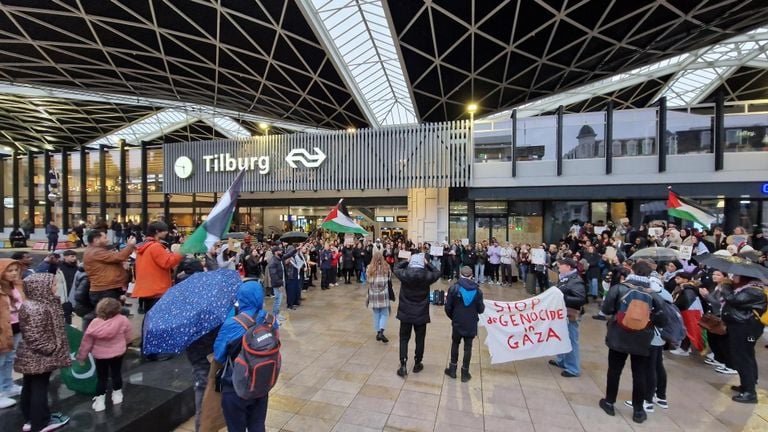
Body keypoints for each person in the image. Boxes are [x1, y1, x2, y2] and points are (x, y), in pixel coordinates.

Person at [598, 261, 667, 424]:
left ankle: (609, 402)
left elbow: (606, 309)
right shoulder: (654, 294)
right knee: (639, 373)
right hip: (642, 338)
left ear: (632, 271)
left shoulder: (619, 288)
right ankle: (638, 410)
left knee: (614, 370)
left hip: (619, 334)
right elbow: (662, 320)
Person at [213, 280, 278, 432]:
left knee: (236, 427)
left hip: (235, 385)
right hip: (262, 382)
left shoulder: (232, 324)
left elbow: (219, 356)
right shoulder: (271, 320)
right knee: (257, 425)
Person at [14, 273, 71, 432]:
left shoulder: (38, 304)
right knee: (39, 388)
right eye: (52, 285)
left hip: (32, 356)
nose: (55, 288)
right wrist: (52, 348)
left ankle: (31, 418)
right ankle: (41, 422)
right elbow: (35, 336)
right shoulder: (37, 307)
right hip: (40, 356)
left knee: (30, 386)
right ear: (40, 288)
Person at [76, 298, 132, 412]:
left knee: (102, 378)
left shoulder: (94, 323)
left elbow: (86, 342)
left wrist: (81, 357)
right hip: (118, 353)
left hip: (100, 356)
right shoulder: (123, 320)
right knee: (116, 374)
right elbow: (128, 336)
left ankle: (100, 402)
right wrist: (125, 344)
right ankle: (117, 395)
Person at [720, 275, 767, 403]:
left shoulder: (754, 291)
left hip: (746, 328)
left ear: (744, 277)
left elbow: (733, 299)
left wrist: (726, 285)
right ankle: (747, 384)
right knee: (746, 355)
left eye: (736, 275)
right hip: (741, 326)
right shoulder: (747, 288)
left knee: (743, 358)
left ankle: (750, 393)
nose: (733, 277)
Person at [393, 253, 441, 377]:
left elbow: (396, 268)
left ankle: (403, 364)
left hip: (406, 312)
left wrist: (406, 261)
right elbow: (437, 272)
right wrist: (428, 263)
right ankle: (417, 363)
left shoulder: (405, 274)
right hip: (421, 313)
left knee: (404, 339)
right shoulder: (427, 276)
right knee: (420, 339)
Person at [132, 221, 183, 315]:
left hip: (148, 289)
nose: (167, 232)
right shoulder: (155, 246)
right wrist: (181, 253)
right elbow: (168, 262)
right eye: (164, 230)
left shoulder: (144, 246)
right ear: (157, 231)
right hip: (157, 290)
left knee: (150, 318)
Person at [444, 266, 484, 382]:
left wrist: (453, 317)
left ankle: (452, 370)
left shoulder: (454, 288)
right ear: (471, 276)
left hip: (457, 321)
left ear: (460, 274)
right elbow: (481, 309)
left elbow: (448, 307)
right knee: (468, 347)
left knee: (455, 344)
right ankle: (465, 373)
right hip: (471, 323)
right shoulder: (478, 291)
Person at [548, 258, 586, 378]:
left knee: (571, 339)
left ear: (568, 267)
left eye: (560, 266)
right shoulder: (565, 278)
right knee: (561, 337)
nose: (558, 268)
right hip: (562, 313)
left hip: (570, 314)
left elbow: (581, 299)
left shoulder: (575, 281)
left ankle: (573, 368)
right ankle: (562, 360)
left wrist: (562, 297)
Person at [83, 230, 136, 306]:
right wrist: (130, 246)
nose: (107, 240)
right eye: (104, 238)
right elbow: (119, 257)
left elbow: (114, 259)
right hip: (104, 290)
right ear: (96, 240)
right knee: (109, 315)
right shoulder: (95, 252)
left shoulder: (97, 250)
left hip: (107, 289)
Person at [0, 259, 23, 409]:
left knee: (9, 359)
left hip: (15, 327)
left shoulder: (17, 285)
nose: (14, 273)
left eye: (15, 269)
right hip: (2, 329)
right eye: (10, 270)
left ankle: (7, 386)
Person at [366, 251, 392, 343]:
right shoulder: (386, 267)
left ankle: (378, 332)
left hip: (373, 294)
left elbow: (368, 280)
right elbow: (388, 279)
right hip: (383, 293)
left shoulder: (369, 268)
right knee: (384, 313)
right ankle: (381, 331)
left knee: (376, 313)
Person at [267, 246, 296, 321]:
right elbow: (273, 276)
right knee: (278, 300)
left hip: (280, 283)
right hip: (277, 284)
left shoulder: (279, 258)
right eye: (280, 251)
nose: (282, 252)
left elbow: (288, 255)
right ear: (276, 252)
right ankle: (275, 316)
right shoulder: (273, 262)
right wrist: (280, 284)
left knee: (278, 300)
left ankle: (277, 314)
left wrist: (297, 249)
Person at [58, 250, 78, 325]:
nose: (74, 258)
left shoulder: (76, 268)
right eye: (72, 256)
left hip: (73, 294)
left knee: (69, 315)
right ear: (65, 257)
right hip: (63, 295)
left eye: (75, 256)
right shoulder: (60, 268)